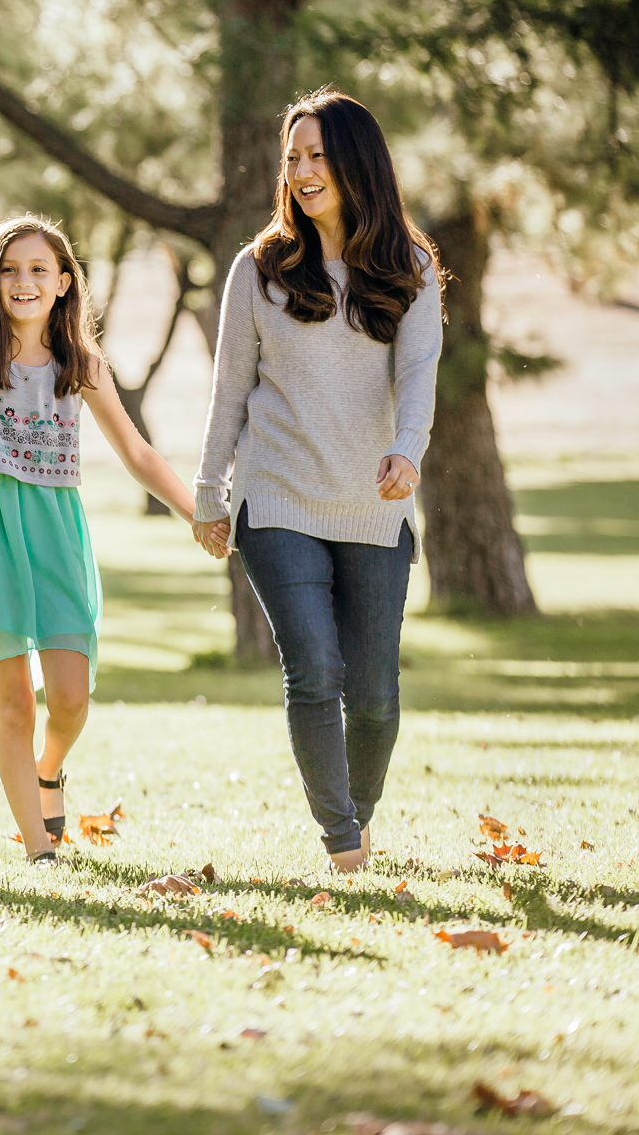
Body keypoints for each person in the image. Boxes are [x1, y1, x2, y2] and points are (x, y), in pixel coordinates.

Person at [0, 215, 198, 862]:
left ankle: (49, 768)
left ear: (62, 283)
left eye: (37, 270)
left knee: (71, 699)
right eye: (9, 270)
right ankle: (37, 849)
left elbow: (137, 453)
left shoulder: (81, 363)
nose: (23, 282)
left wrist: (197, 513)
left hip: (55, 535)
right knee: (15, 702)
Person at [191, 88, 443, 874]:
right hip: (276, 498)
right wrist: (208, 491)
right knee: (315, 670)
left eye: (316, 155)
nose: (300, 171)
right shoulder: (259, 268)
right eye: (291, 157)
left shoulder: (411, 267)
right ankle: (342, 847)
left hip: (374, 502)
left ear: (356, 161)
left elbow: (419, 376)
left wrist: (408, 451)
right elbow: (229, 389)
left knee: (372, 695)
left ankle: (356, 819)